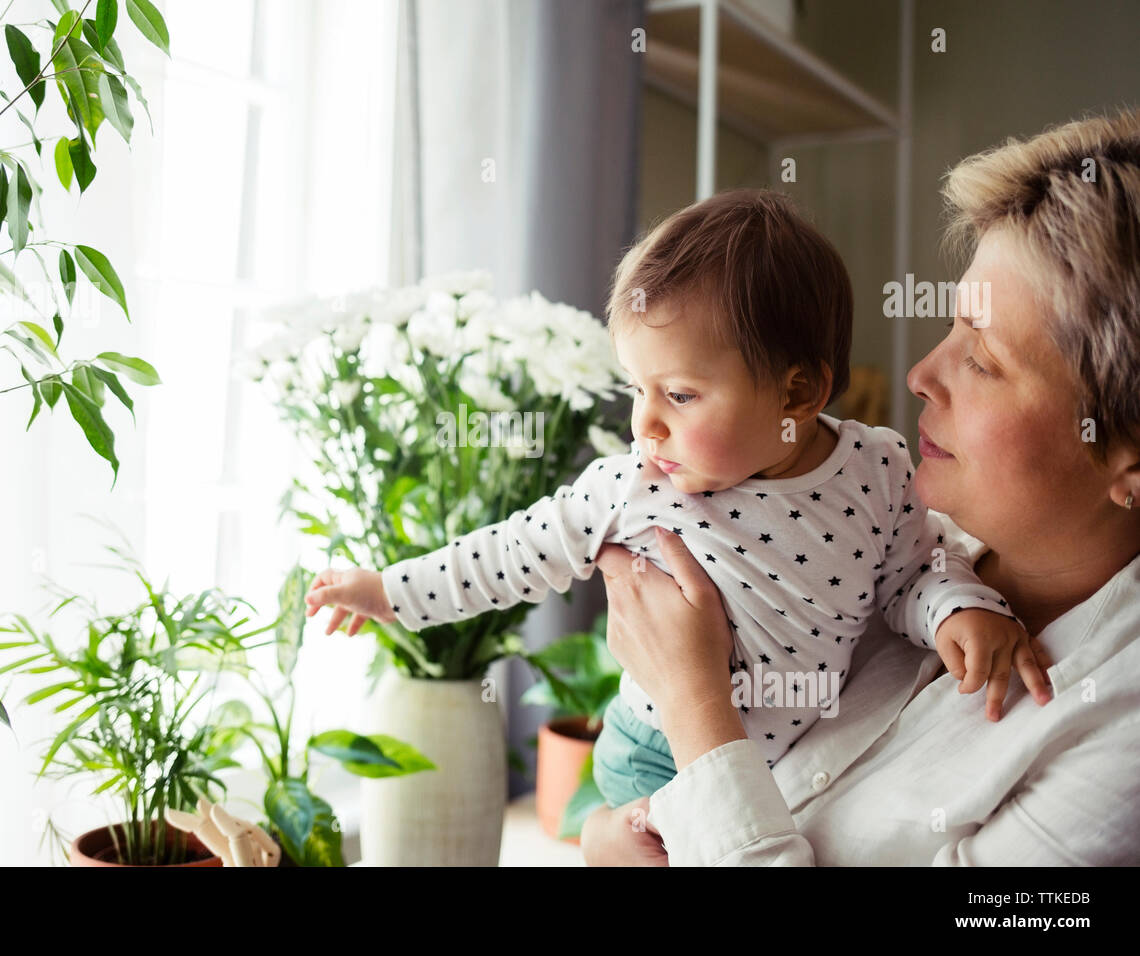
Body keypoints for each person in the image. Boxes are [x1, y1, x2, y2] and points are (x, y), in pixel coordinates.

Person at [304, 189, 1039, 810]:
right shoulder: (636, 483)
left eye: (680, 395)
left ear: (799, 392)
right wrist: (387, 591)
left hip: (800, 762)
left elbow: (910, 576)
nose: (644, 423)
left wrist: (958, 608)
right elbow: (510, 552)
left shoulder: (876, 467)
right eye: (637, 388)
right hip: (654, 756)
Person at [581, 108, 1140, 865]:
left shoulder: (1119, 745)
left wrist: (694, 702)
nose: (920, 376)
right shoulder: (883, 536)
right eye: (950, 330)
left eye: (983, 360)